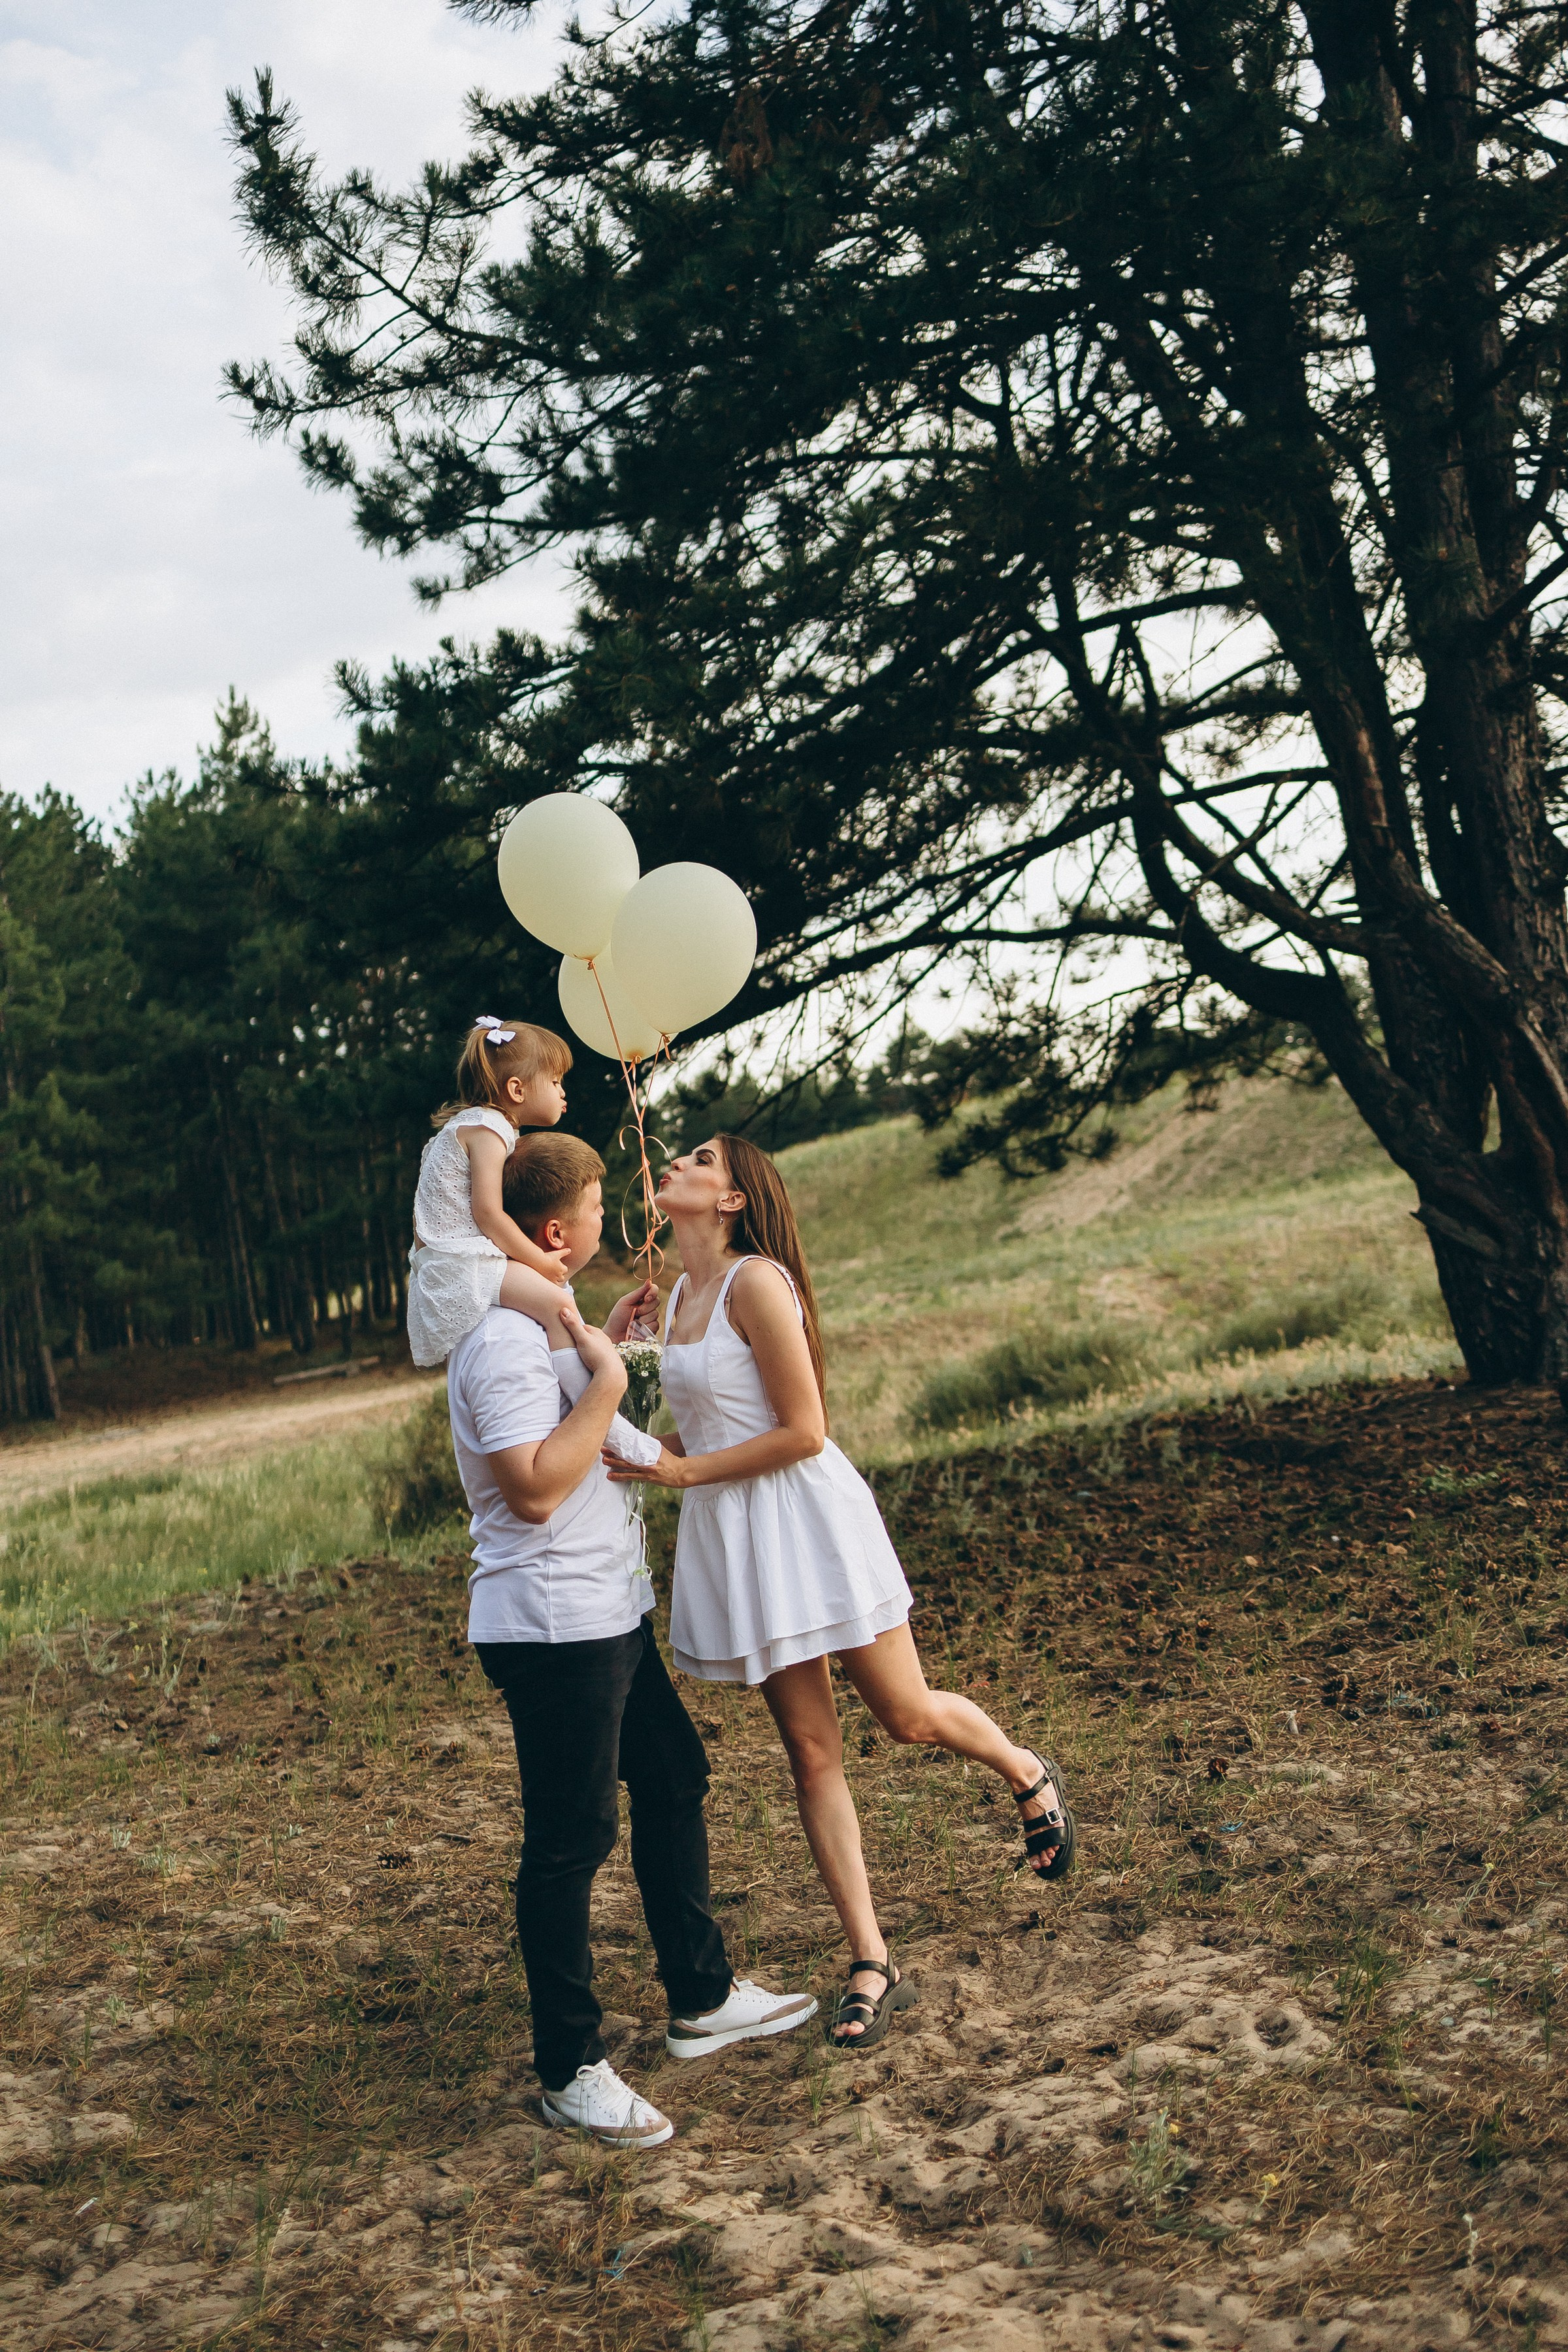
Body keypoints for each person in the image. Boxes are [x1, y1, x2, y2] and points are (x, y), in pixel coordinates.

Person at [604, 1133, 1076, 2051]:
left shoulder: (758, 1283)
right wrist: (626, 1343)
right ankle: (872, 1959)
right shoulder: (682, 1295)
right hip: (739, 1541)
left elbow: (806, 1431)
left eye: (698, 1156)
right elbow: (674, 1422)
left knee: (904, 1715)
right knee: (810, 1756)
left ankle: (1024, 1769)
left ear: (733, 1198)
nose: (675, 1161)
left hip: (806, 1523)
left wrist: (686, 1475)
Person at [447, 1130, 816, 2149]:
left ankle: (700, 1999)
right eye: (602, 1211)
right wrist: (608, 1380)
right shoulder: (502, 1341)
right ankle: (570, 2067)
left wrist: (601, 1343)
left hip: (609, 1610)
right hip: (553, 1623)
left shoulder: (551, 1329)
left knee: (673, 1777)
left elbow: (595, 1427)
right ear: (556, 1231)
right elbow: (530, 1487)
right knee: (569, 1843)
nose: (617, 1227)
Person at [406, 1016, 578, 1370]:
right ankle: (587, 1399)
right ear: (517, 1090)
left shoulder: (473, 1124)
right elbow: (489, 1213)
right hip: (464, 1263)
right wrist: (538, 1259)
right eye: (556, 1081)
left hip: (449, 1259)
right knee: (559, 1306)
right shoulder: (489, 1129)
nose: (563, 1092)